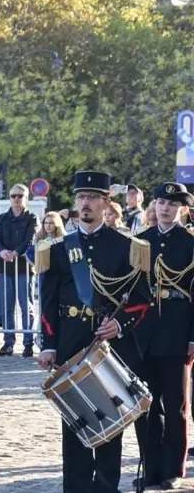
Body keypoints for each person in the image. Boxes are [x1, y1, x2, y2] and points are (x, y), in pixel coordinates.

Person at [37, 170, 151, 493]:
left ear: (105, 203)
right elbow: (47, 304)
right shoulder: (57, 249)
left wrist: (119, 323)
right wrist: (49, 345)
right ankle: (74, 486)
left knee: (108, 422)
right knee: (74, 420)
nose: (85, 204)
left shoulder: (126, 246)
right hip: (71, 341)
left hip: (107, 346)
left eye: (92, 198)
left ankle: (104, 486)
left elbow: (142, 300)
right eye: (81, 198)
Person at [133, 182, 194, 490]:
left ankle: (172, 469)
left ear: (182, 208)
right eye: (160, 202)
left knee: (175, 404)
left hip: (177, 327)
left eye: (172, 203)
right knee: (146, 403)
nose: (165, 208)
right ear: (154, 206)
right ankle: (152, 466)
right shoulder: (140, 242)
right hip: (144, 331)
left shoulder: (190, 242)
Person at [0, 183, 38, 357]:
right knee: (6, 307)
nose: (17, 199)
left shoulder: (32, 218)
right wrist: (2, 251)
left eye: (20, 196)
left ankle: (28, 343)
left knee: (26, 307)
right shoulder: (2, 218)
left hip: (24, 268)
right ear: (9, 198)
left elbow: (30, 239)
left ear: (26, 198)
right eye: (13, 196)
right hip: (5, 268)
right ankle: (8, 342)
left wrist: (16, 252)